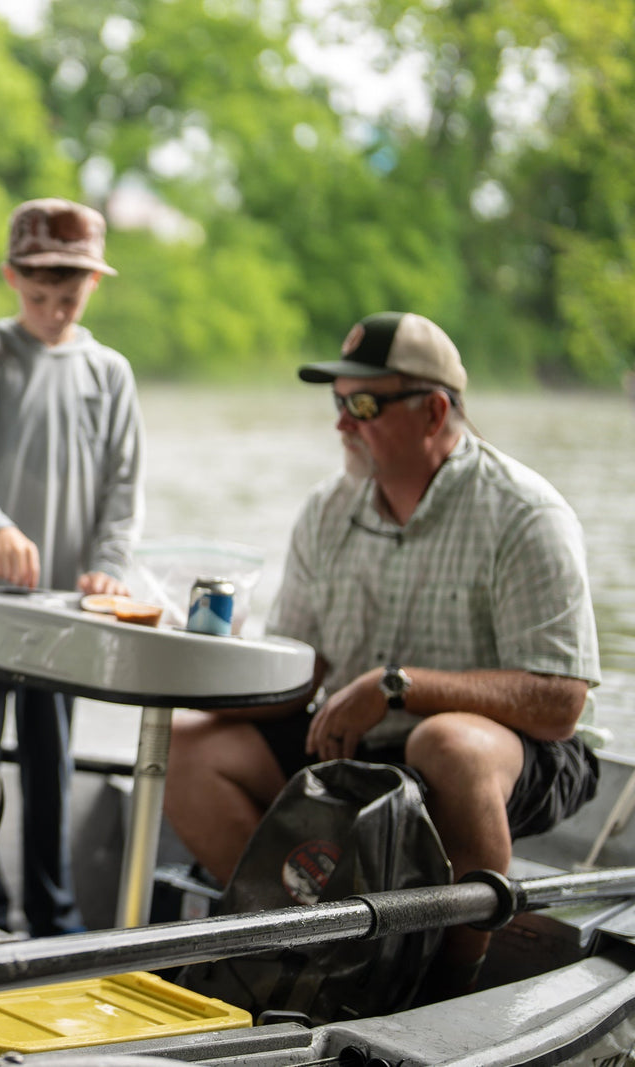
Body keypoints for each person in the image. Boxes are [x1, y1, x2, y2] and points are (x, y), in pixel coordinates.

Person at [164, 311, 601, 996]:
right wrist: (211, 665)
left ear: (432, 411)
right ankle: (306, 948)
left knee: (446, 742)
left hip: (506, 756)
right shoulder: (326, 510)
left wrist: (397, 686)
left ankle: (449, 986)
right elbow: (300, 670)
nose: (341, 423)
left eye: (363, 404)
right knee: (185, 747)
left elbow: (561, 703)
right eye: (337, 402)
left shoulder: (524, 513)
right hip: (360, 740)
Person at [0, 198, 145, 937]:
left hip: (63, 612)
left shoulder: (109, 374)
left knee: (54, 760)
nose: (53, 311)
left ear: (94, 287)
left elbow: (122, 490)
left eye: (69, 298)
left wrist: (109, 566)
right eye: (39, 296)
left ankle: (57, 916)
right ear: (13, 278)